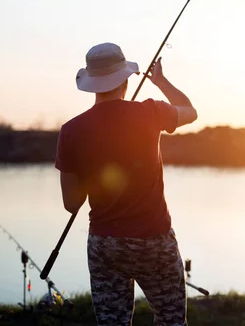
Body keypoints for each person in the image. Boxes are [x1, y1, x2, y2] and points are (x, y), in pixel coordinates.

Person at [54, 42, 197, 326]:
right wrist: (161, 81)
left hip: (106, 244)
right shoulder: (151, 113)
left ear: (93, 84)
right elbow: (189, 111)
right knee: (171, 321)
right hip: (155, 241)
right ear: (126, 78)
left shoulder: (71, 131)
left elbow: (71, 203)